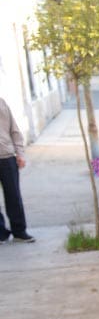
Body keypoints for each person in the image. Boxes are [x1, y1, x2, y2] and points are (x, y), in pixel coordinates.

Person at [0, 94, 33, 243]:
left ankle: (19, 231)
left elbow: (15, 130)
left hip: (7, 157)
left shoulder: (2, 103)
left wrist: (20, 153)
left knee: (14, 195)